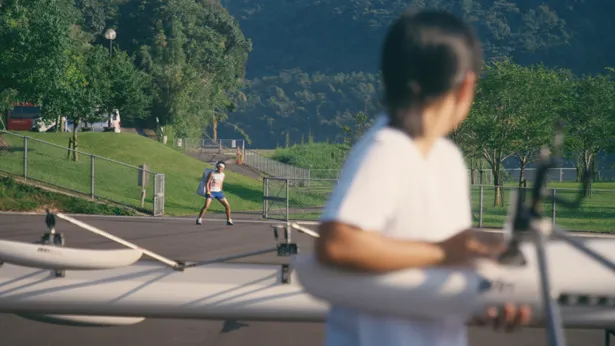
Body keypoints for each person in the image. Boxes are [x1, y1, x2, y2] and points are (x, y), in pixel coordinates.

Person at [315, 9, 532, 346]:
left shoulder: (448, 159)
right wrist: (446, 250)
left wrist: (484, 295)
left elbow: (429, 263)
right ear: (466, 86)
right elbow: (337, 243)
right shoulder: (386, 149)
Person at [196, 161, 233, 226]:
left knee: (227, 205)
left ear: (223, 168)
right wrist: (208, 191)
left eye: (221, 168)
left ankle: (229, 220)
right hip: (211, 192)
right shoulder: (212, 173)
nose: (220, 169)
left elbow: (221, 183)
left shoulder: (223, 175)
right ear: (217, 167)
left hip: (218, 192)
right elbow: (207, 183)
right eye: (219, 167)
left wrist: (220, 190)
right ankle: (199, 219)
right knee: (206, 206)